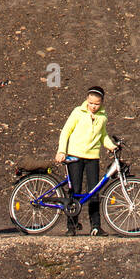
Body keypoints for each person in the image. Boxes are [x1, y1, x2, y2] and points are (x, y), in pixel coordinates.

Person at [55, 86, 118, 236]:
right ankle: (71, 226)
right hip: (75, 156)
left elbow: (103, 136)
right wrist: (61, 150)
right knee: (75, 191)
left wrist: (112, 147)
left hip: (92, 158)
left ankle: (96, 226)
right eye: (90, 103)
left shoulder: (103, 116)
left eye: (96, 103)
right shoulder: (78, 112)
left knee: (94, 192)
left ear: (102, 102)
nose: (93, 106)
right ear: (86, 100)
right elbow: (66, 131)